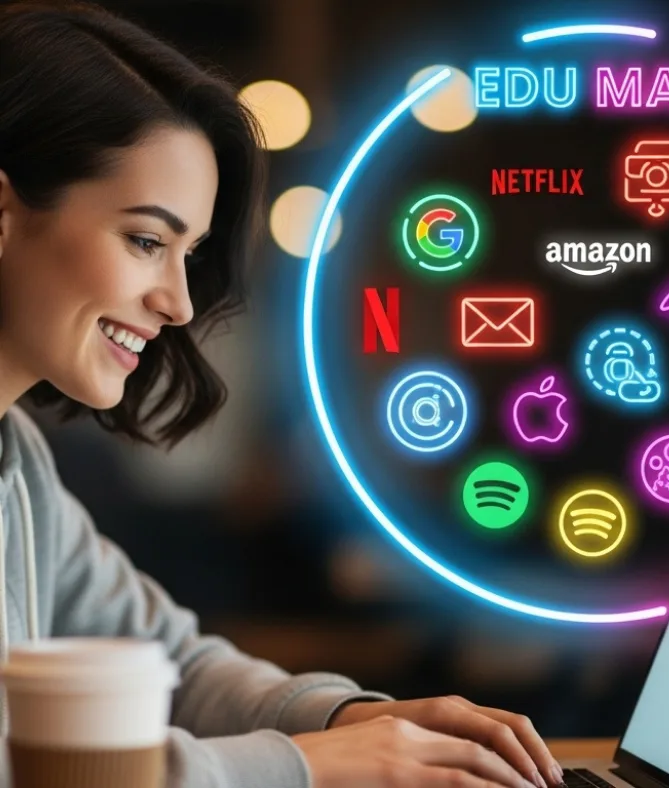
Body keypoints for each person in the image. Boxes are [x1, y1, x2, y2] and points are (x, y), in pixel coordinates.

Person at [0, 3, 564, 787]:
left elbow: (174, 663)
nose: (179, 303)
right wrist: (307, 765)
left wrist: (356, 719)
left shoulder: (15, 458)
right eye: (145, 241)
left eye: (187, 254)